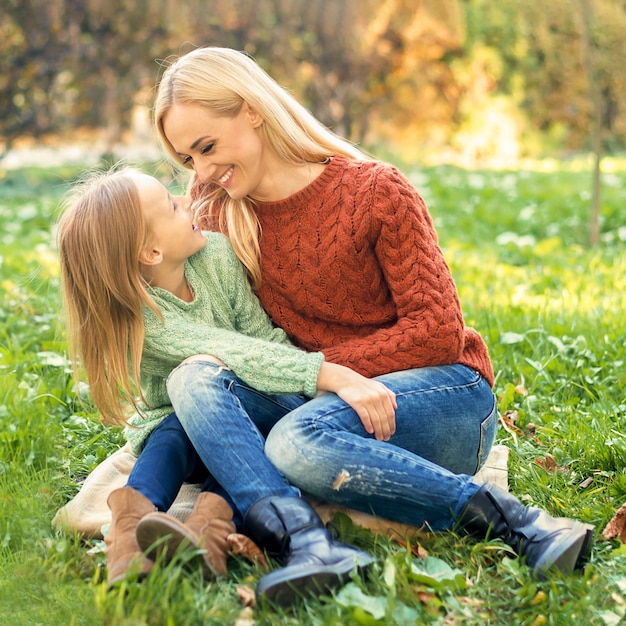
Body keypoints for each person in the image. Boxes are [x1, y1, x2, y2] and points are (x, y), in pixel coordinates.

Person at [152, 45, 595, 582]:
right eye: (187, 159)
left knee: (294, 442)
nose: (200, 170)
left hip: (439, 394)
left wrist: (319, 370)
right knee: (195, 378)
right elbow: (212, 335)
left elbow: (437, 332)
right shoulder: (214, 210)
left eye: (207, 147)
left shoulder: (374, 190)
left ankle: (523, 525)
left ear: (252, 109)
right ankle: (309, 546)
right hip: (315, 394)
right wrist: (311, 376)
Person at [57, 166, 379, 604]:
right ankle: (130, 537)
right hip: (183, 431)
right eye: (172, 205)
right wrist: (324, 373)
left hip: (252, 411)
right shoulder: (144, 320)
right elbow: (229, 348)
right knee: (174, 431)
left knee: (249, 442)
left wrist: (302, 379)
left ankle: (205, 537)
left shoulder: (218, 256)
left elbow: (259, 337)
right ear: (151, 251)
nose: (188, 201)